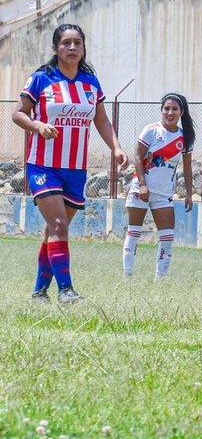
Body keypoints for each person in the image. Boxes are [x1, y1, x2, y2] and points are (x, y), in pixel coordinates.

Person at [10, 23, 127, 303]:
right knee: (60, 223)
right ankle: (66, 291)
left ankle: (39, 292)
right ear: (55, 48)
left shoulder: (91, 83)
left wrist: (117, 147)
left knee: (55, 229)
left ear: (83, 48)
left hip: (75, 169)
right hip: (43, 165)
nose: (72, 47)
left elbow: (101, 119)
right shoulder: (41, 79)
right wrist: (37, 125)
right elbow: (17, 114)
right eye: (66, 43)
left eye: (77, 43)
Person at [122, 93, 195, 279]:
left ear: (181, 112)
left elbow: (187, 167)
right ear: (161, 110)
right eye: (166, 108)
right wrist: (143, 185)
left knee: (167, 237)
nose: (170, 112)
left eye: (174, 109)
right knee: (134, 233)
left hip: (164, 194)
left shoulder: (184, 138)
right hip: (141, 190)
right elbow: (138, 158)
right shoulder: (151, 130)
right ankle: (127, 278)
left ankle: (160, 280)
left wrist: (189, 193)